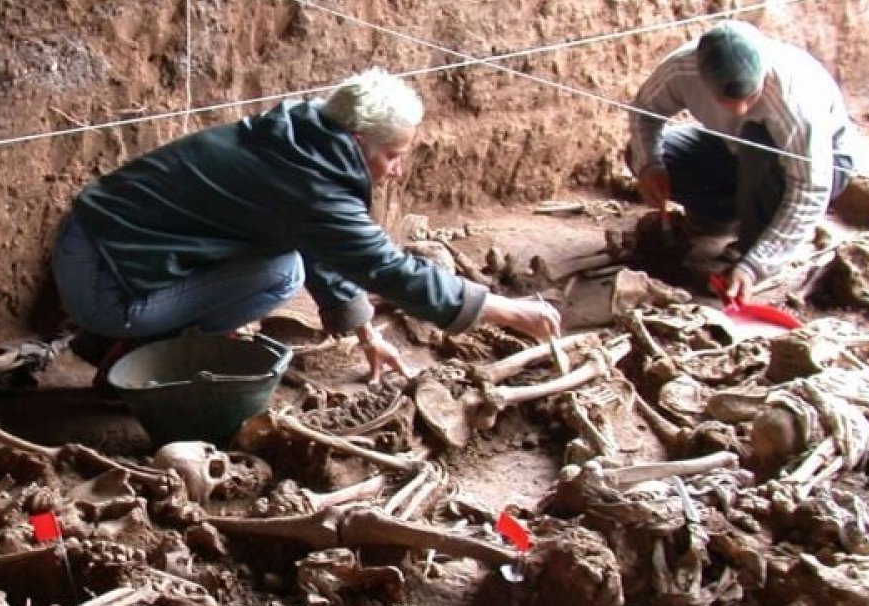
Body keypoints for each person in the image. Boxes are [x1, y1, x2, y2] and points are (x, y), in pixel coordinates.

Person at [52, 68, 561, 383]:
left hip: (98, 248)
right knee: (284, 274)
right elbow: (386, 267)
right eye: (392, 155)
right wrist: (504, 310)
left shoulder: (299, 139)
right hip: (105, 286)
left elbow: (321, 238)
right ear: (359, 141)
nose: (397, 170)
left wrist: (363, 332)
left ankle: (136, 339)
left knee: (289, 259)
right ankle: (145, 349)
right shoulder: (311, 183)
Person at [628, 20, 855, 302]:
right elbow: (645, 111)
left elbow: (809, 190)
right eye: (726, 100)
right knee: (650, 154)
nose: (741, 109)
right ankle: (721, 217)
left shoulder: (793, 101)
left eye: (751, 97)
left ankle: (755, 246)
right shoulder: (682, 69)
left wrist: (756, 265)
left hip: (819, 166)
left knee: (758, 138)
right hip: (732, 147)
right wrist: (650, 165)